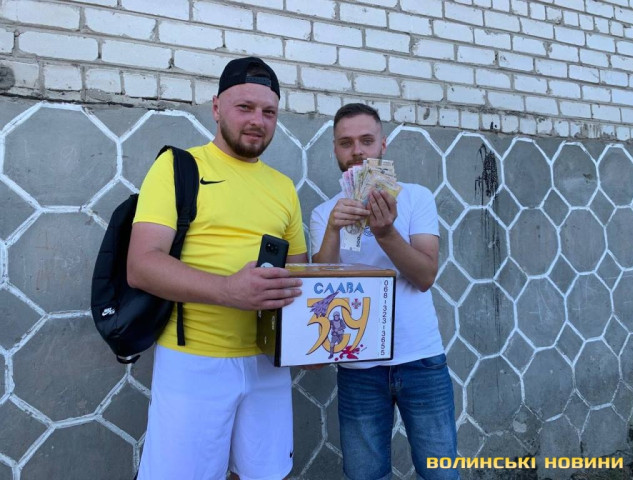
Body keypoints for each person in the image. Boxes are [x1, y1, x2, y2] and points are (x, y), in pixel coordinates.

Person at [128, 56, 308, 480]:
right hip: (194, 361)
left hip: (268, 363)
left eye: (269, 112)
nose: (257, 121)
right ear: (216, 107)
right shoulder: (178, 167)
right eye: (245, 107)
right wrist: (229, 290)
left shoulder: (284, 187)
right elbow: (142, 265)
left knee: (266, 474)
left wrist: (308, 344)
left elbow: (300, 277)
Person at [310, 103, 459, 480]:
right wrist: (332, 230)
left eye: (366, 140)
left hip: (421, 358)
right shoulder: (324, 213)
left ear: (383, 145)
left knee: (441, 473)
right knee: (364, 475)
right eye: (346, 143)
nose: (357, 151)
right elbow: (320, 292)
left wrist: (386, 233)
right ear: (334, 149)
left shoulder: (417, 197)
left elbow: (425, 276)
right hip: (358, 366)